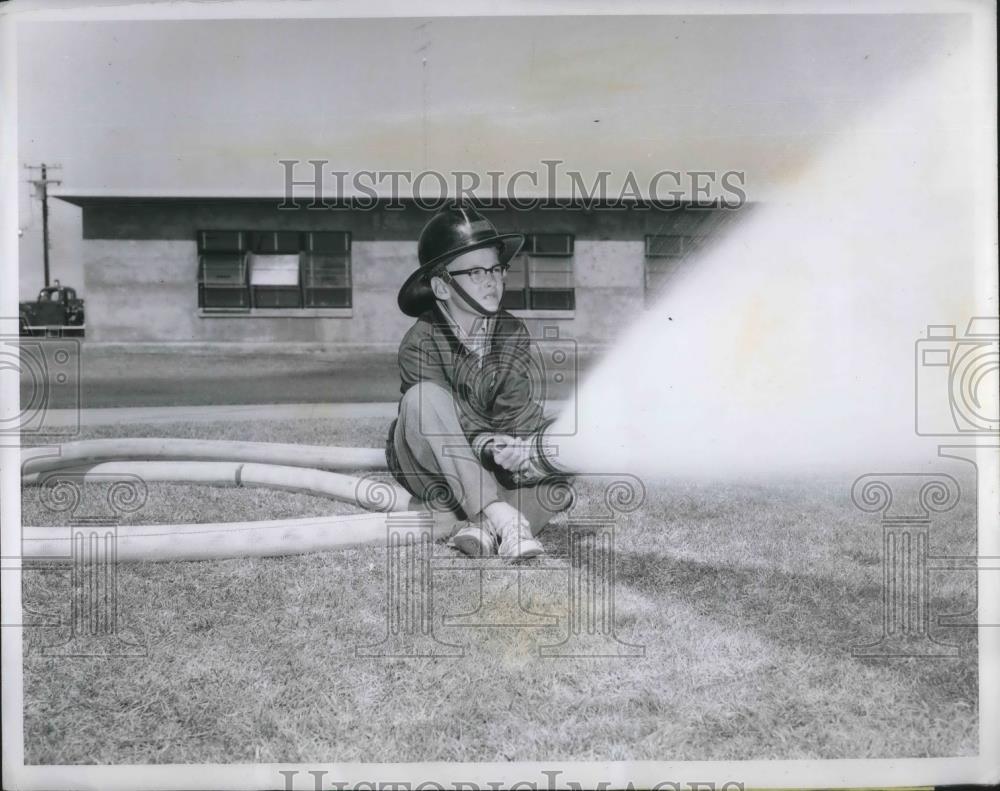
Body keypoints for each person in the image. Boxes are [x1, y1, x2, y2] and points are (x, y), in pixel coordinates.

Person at [385, 204, 572, 560]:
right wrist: (489, 443)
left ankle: (479, 525)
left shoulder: (512, 332)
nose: (491, 280)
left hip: (487, 465)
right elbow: (446, 417)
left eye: (496, 268)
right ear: (441, 286)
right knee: (421, 399)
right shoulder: (419, 341)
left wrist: (535, 444)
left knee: (559, 469)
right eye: (475, 271)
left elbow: (515, 412)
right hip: (430, 466)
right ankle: (505, 519)